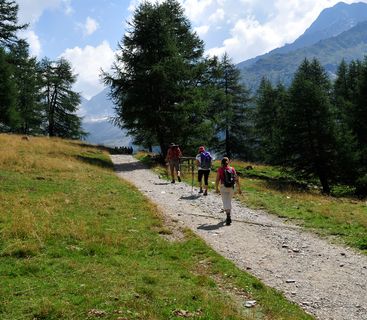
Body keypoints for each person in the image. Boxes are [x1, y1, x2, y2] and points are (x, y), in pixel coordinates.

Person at [215, 157, 242, 225]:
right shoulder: (232, 169)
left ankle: (228, 216)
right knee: (229, 201)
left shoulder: (220, 169)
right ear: (228, 162)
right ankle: (228, 215)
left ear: (221, 163)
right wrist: (239, 188)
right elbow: (236, 179)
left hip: (223, 186)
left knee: (225, 201)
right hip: (232, 187)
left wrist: (216, 188)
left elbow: (217, 179)